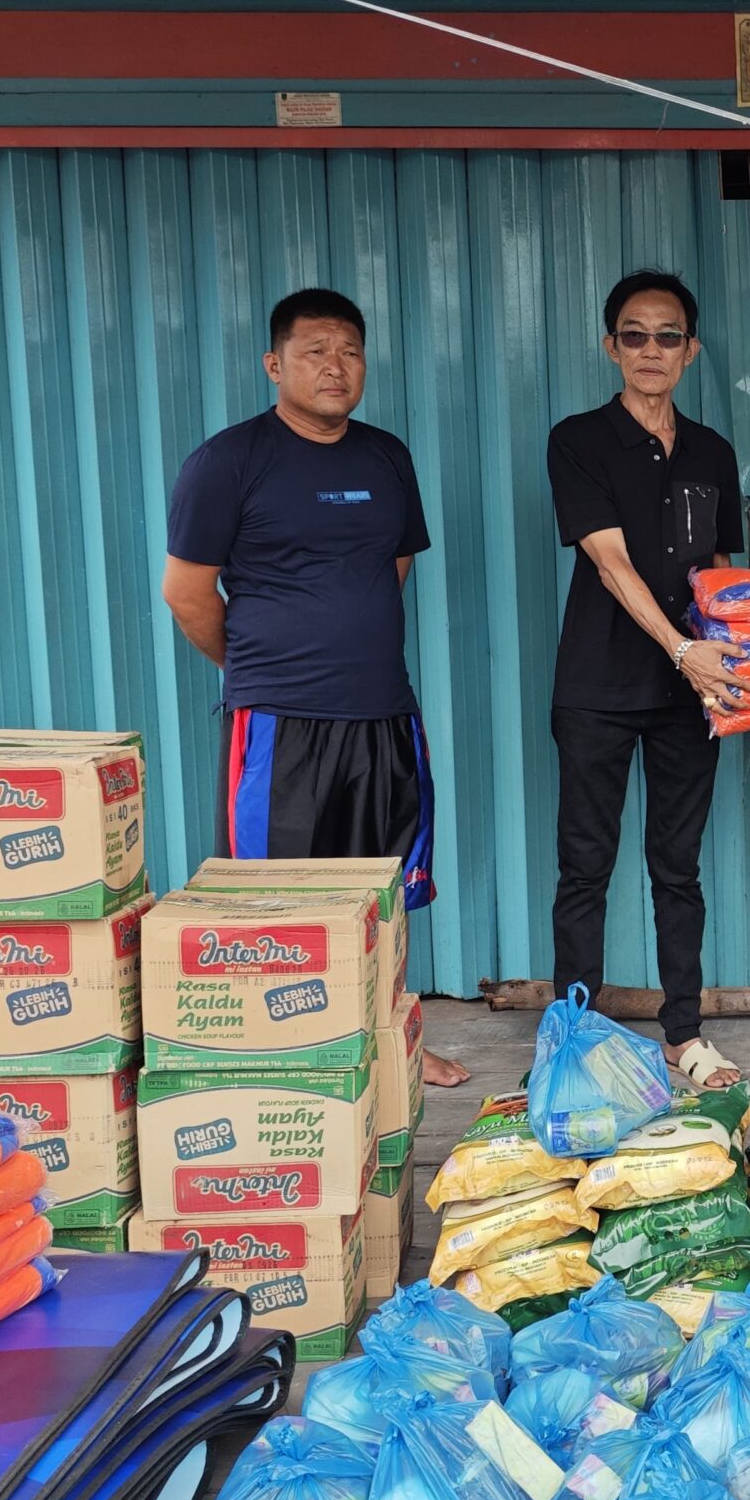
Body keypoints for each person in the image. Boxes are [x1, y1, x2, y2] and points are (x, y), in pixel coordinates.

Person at [163, 286, 468, 1087]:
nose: (336, 367)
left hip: (382, 713)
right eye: (315, 351)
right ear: (275, 364)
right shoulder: (228, 462)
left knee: (386, 894)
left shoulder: (385, 457)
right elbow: (187, 593)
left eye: (350, 351)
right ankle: (281, 1052)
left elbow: (391, 566)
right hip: (279, 723)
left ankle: (391, 1041)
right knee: (274, 898)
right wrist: (260, 666)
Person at [545, 270, 750, 1093]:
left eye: (669, 336)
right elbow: (610, 561)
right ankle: (578, 1030)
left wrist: (735, 660)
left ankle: (685, 1033)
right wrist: (682, 648)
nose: (652, 350)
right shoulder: (578, 440)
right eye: (635, 335)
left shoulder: (713, 451)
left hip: (689, 696)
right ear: (611, 348)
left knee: (678, 865)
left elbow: (723, 573)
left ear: (691, 350)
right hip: (597, 686)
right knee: (584, 865)